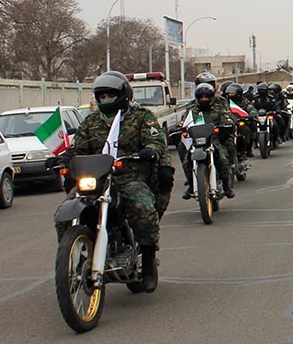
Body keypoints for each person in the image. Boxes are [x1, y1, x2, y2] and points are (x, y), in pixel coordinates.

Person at [53, 70, 174, 293]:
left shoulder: (142, 117)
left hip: (129, 176)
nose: (106, 99)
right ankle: (74, 257)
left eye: (110, 95)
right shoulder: (91, 122)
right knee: (64, 214)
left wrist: (150, 150)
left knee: (143, 209)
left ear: (123, 95)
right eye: (102, 96)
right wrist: (61, 159)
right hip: (96, 178)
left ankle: (148, 260)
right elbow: (78, 148)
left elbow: (156, 140)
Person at [180, 82, 236, 200]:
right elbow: (184, 122)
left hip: (214, 140)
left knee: (222, 158)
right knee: (186, 161)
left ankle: (226, 185)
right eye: (201, 97)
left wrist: (227, 124)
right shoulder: (191, 110)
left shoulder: (218, 108)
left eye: (206, 97)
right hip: (196, 141)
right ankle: (191, 185)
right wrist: (179, 128)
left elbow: (227, 118)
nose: (204, 99)